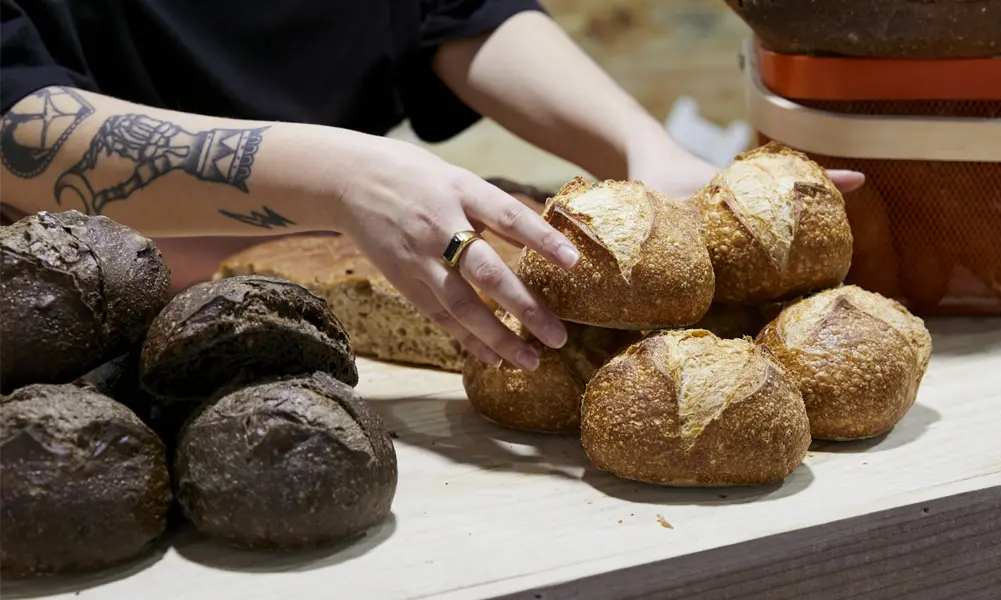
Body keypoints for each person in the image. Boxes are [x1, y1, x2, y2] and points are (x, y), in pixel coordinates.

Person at [0, 0, 864, 373]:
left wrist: (640, 144)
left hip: (346, 270)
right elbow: (14, 125)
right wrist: (340, 175)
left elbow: (453, 14)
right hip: (70, 318)